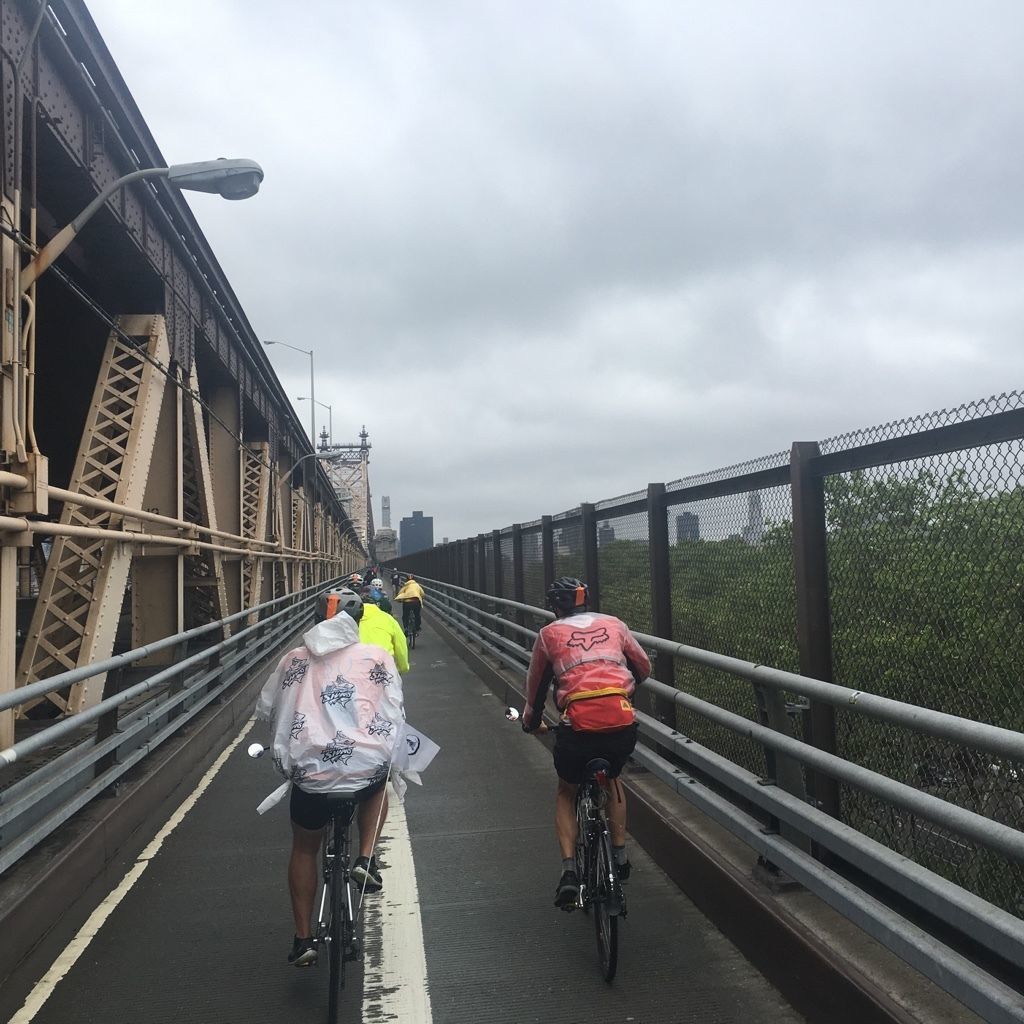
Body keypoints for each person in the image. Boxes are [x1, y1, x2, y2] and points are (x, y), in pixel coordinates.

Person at [257, 589, 405, 966]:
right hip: (362, 770)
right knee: (379, 779)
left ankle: (303, 938)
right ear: (356, 622)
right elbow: (394, 710)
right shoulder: (376, 656)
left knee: (305, 847)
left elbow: (268, 708)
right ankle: (365, 858)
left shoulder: (292, 659)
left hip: (311, 776)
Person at [520, 577, 651, 909]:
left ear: (555, 607)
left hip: (577, 729)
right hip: (620, 723)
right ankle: (619, 856)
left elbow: (536, 689)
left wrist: (531, 723)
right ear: (586, 601)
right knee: (613, 779)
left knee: (567, 790)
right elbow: (642, 668)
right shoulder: (614, 624)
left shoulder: (549, 635)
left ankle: (568, 872)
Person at [356, 585, 409, 670]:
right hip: (384, 668)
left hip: (357, 669)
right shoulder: (388, 619)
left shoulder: (351, 619)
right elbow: (401, 645)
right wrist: (403, 667)